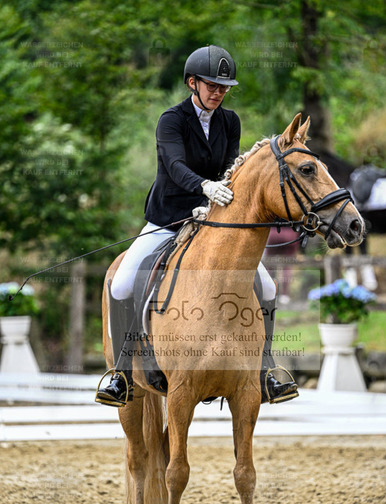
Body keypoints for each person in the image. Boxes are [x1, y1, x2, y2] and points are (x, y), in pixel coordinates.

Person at [95, 45, 298, 407]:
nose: (218, 93)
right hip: (168, 217)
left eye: (224, 87)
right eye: (212, 85)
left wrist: (219, 202)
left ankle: (264, 369)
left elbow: (230, 170)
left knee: (266, 287)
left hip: (214, 220)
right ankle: (122, 373)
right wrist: (203, 189)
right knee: (123, 282)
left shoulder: (229, 121)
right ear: (193, 83)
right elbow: (174, 166)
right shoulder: (171, 120)